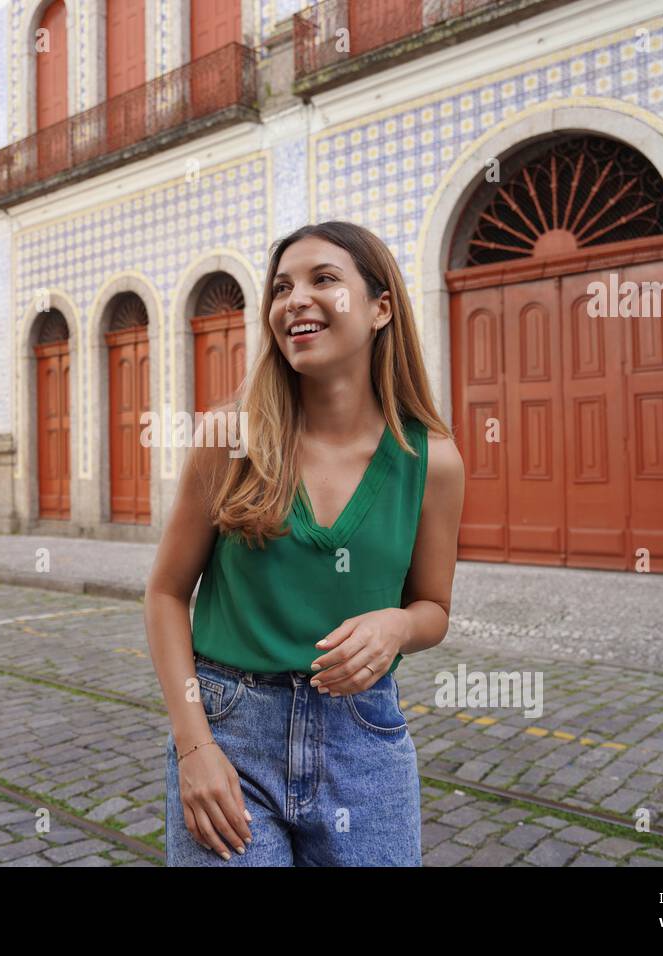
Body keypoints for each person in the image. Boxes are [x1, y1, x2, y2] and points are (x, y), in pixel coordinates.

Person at [144, 220, 465, 866]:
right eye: (281, 286)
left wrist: (397, 626)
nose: (295, 299)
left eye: (324, 280)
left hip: (364, 745)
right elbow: (165, 594)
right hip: (232, 735)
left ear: (380, 308)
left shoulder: (431, 460)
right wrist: (194, 746)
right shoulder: (229, 437)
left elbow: (433, 609)